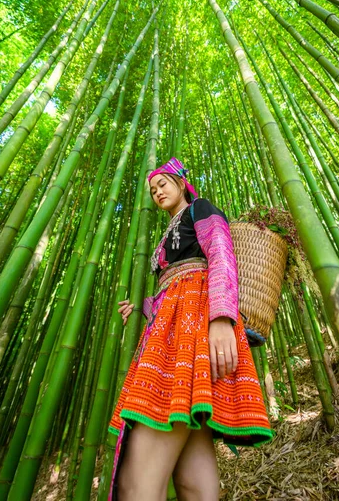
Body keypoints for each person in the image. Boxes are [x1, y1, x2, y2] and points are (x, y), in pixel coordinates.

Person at [108, 157, 273, 500]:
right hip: (174, 323)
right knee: (192, 485)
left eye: (163, 184)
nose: (157, 192)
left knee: (134, 485)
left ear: (181, 183)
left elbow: (221, 255)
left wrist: (222, 319)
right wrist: (142, 306)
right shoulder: (166, 233)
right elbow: (171, 288)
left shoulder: (199, 208)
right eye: (152, 190)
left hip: (195, 326)